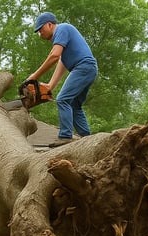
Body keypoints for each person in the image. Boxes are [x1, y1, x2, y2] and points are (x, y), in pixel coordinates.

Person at [28, 12, 98, 146]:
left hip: (83, 67)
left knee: (62, 99)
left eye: (40, 29)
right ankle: (88, 139)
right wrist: (50, 86)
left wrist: (34, 76)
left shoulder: (62, 29)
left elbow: (54, 56)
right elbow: (62, 62)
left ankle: (65, 136)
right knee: (74, 105)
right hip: (88, 69)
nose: (40, 34)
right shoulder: (61, 38)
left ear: (49, 24)